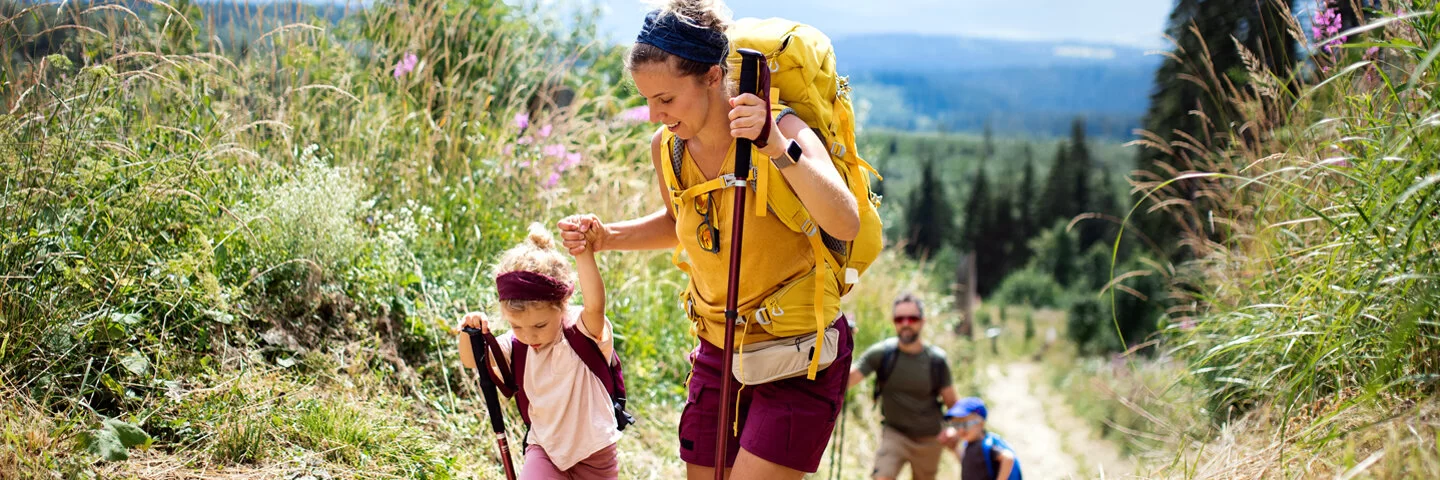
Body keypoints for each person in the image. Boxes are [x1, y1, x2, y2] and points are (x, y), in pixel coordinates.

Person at [555, 0, 863, 477]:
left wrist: (776, 149)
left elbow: (845, 222)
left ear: (713, 78)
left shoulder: (782, 128)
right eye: (647, 101)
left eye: (666, 99)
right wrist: (606, 237)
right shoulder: (669, 147)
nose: (655, 115)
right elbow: (677, 221)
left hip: (797, 352)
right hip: (719, 349)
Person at [458, 222, 620, 479]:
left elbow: (596, 305)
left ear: (563, 305)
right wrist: (470, 334)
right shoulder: (516, 344)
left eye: (540, 325)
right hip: (545, 449)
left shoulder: (582, 331)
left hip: (595, 452)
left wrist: (582, 253)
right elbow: (472, 361)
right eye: (517, 326)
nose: (529, 335)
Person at [848, 293, 961, 480]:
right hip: (895, 435)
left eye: (912, 318)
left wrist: (954, 430)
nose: (906, 323)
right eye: (900, 319)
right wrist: (842, 341)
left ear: (922, 321)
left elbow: (953, 404)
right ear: (894, 322)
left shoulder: (936, 360)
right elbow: (848, 380)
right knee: (881, 476)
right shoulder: (881, 354)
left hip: (930, 440)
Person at [947, 397, 1022, 480]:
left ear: (981, 423)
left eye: (966, 424)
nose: (961, 430)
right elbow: (969, 465)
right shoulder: (969, 445)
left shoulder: (985, 445)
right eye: (956, 425)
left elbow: (1008, 458)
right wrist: (954, 449)